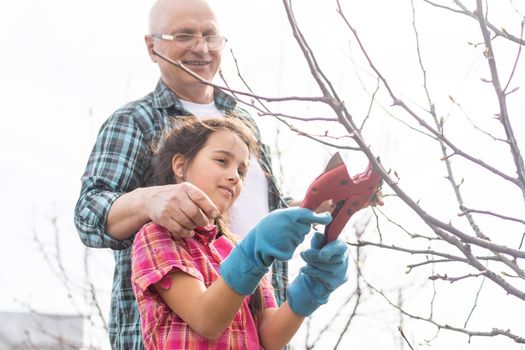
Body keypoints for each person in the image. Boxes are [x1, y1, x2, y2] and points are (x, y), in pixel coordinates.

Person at [74, 0, 289, 349]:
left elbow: (256, 219)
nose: (200, 47)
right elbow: (87, 214)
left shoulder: (246, 125)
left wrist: (311, 208)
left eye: (210, 35)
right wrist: (150, 199)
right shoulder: (135, 121)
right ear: (152, 46)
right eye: (184, 35)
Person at [131, 117, 349, 349]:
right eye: (222, 161)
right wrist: (254, 254)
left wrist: (310, 288)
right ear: (180, 166)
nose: (235, 176)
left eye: (241, 171)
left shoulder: (236, 249)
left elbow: (270, 338)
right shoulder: (157, 236)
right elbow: (206, 319)